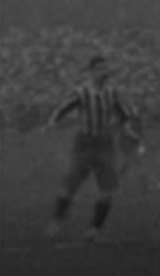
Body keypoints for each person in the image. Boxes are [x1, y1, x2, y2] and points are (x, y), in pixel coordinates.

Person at [46, 55, 144, 241]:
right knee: (70, 185)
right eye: (100, 68)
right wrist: (52, 122)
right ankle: (57, 220)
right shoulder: (82, 92)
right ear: (91, 71)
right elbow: (63, 108)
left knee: (108, 191)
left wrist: (129, 132)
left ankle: (93, 231)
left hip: (105, 143)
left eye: (106, 68)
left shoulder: (112, 92)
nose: (105, 71)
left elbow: (123, 116)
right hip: (84, 143)